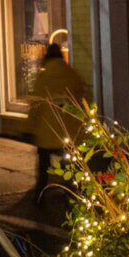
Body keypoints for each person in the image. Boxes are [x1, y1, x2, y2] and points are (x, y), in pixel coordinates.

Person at [28, 43, 85, 202]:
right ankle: (71, 193)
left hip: (46, 131)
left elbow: (35, 104)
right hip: (68, 131)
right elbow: (80, 100)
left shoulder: (43, 76)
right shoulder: (71, 75)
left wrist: (29, 127)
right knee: (69, 163)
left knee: (44, 166)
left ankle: (40, 194)